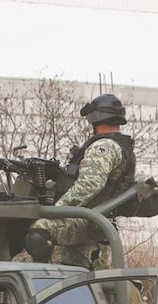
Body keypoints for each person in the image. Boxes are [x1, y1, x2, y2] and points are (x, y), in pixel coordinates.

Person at [23, 93, 136, 271]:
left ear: (94, 119)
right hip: (97, 223)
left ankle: (41, 281)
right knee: (87, 280)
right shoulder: (120, 146)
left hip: (87, 221)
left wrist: (59, 209)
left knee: (39, 232)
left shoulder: (104, 147)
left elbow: (90, 184)